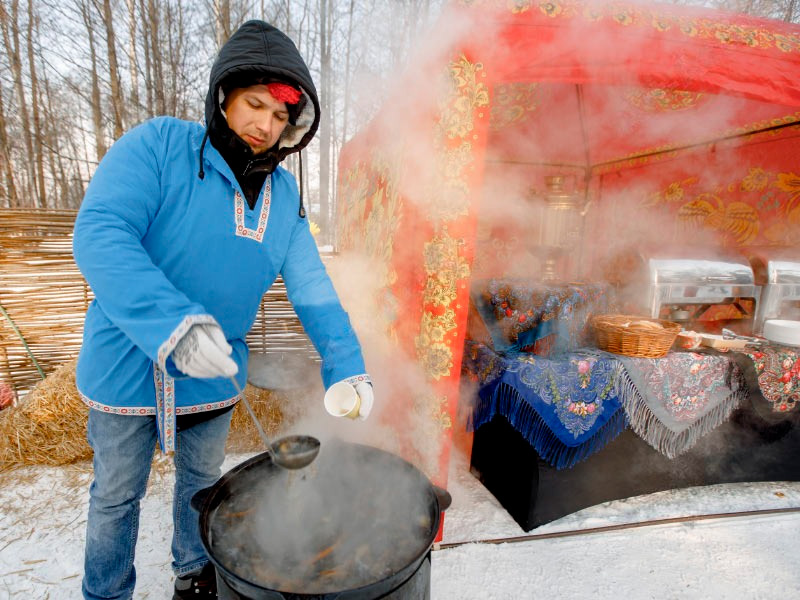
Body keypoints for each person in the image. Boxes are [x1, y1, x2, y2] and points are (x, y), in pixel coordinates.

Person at [72, 20, 374, 600]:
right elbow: (100, 232)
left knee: (202, 482)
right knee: (115, 494)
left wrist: (346, 363)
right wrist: (173, 326)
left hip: (216, 372)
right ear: (223, 98)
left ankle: (194, 572)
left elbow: (312, 288)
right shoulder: (159, 146)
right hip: (126, 362)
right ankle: (106, 592)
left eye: (281, 116)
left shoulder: (284, 198)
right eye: (254, 104)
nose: (266, 125)